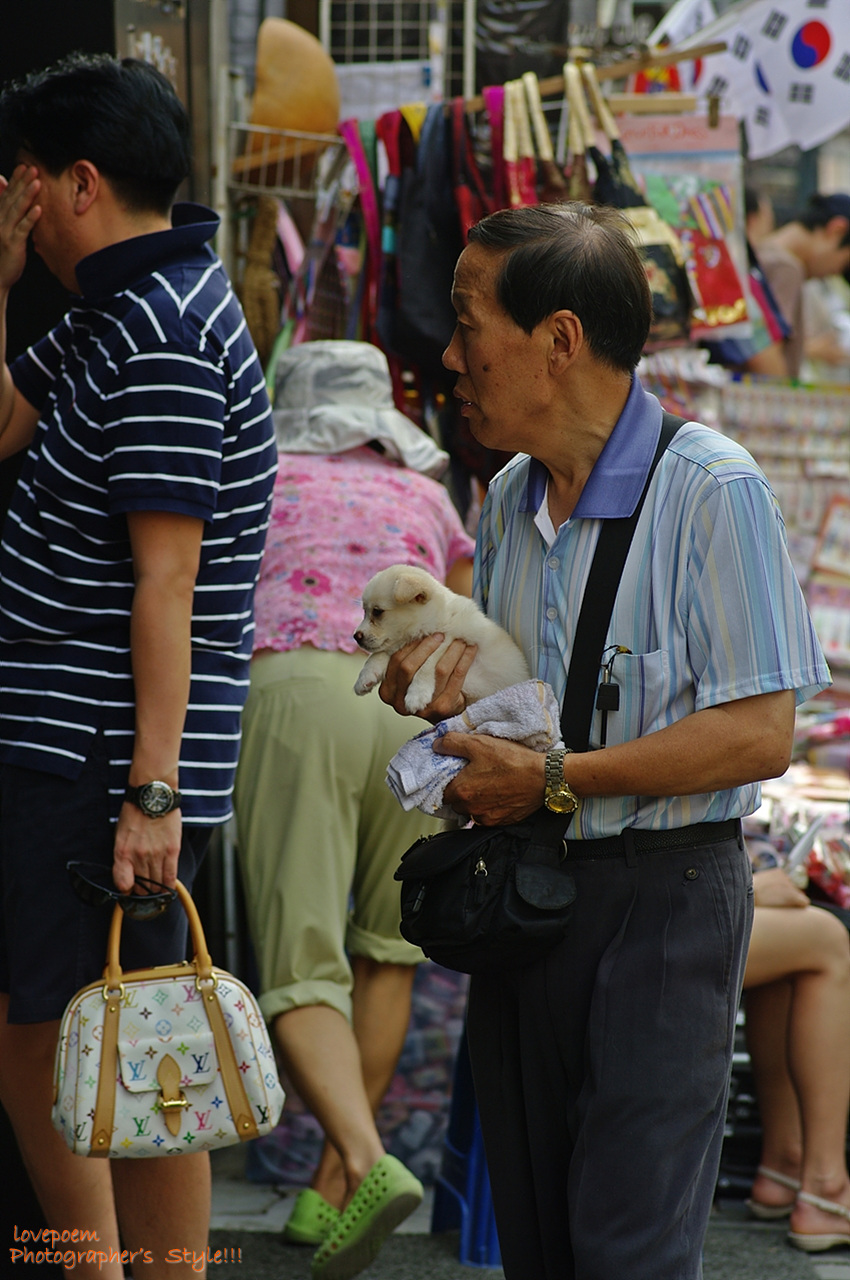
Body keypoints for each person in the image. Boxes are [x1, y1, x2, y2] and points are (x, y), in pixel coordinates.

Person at [377, 201, 831, 1280]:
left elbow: (760, 732)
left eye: (468, 323)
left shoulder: (712, 489)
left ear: (561, 340)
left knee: (626, 1249)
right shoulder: (504, 503)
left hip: (659, 904)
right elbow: (527, 710)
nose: (449, 356)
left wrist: (551, 776)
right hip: (526, 900)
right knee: (537, 1239)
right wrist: (452, 721)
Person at [0, 54, 276, 1280]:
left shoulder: (160, 327)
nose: (14, 206)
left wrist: (151, 793)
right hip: (92, 756)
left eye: (19, 187)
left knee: (39, 1045)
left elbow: (169, 580)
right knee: (146, 1038)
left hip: (94, 757)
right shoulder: (123, 302)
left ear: (77, 181)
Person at [233, 340, 475, 1280]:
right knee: (387, 949)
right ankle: (332, 1193)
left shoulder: (259, 471)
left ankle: (367, 1166)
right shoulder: (423, 494)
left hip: (296, 687)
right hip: (408, 703)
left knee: (300, 966)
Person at [742, 862, 850, 1249]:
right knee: (827, 939)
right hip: (631, 915)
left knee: (796, 942)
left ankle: (786, 1161)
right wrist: (748, 888)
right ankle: (827, 1186)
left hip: (631, 901)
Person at [755, 191, 850, 378]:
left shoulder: (760, 252)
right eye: (845, 263)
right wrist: (785, 401)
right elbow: (764, 351)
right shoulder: (786, 268)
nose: (835, 272)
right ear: (836, 230)